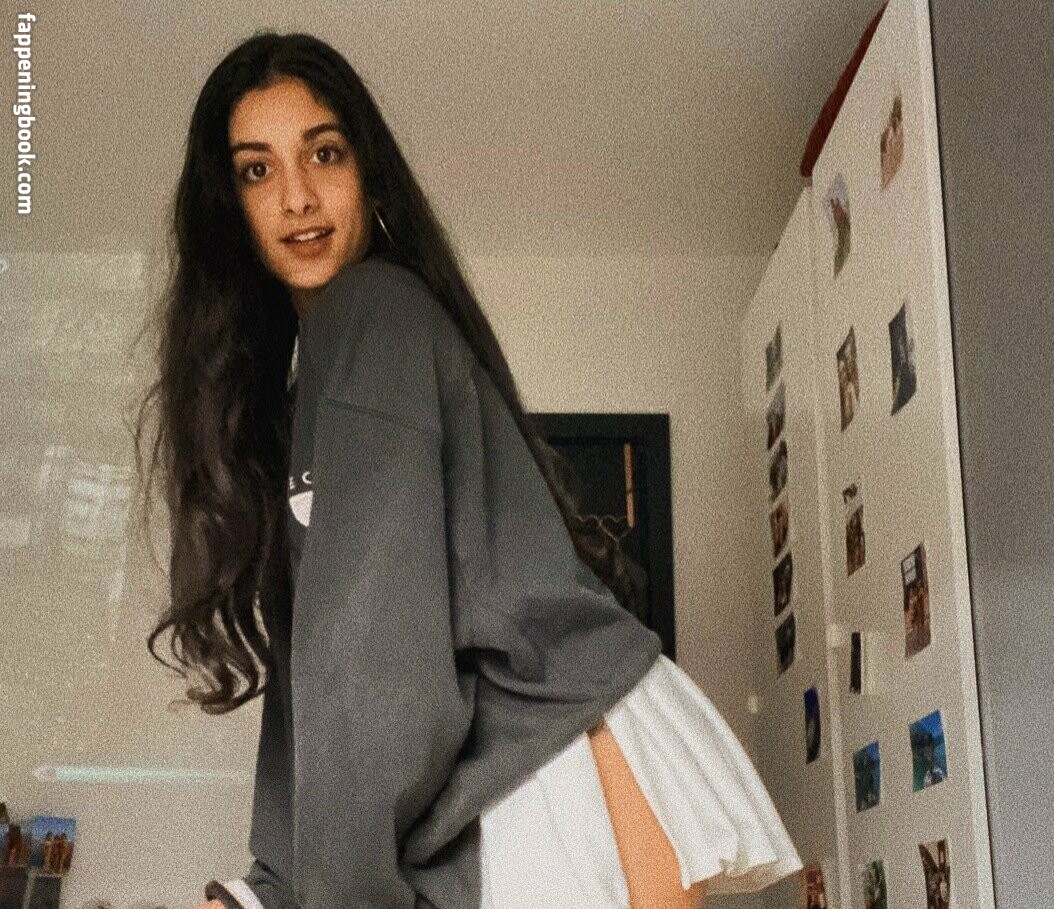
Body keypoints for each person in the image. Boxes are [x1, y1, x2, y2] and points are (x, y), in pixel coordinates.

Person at [134, 31, 802, 909]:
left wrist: (324, 892)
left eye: (324, 153)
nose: (297, 196)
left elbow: (374, 653)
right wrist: (272, 886)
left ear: (369, 174)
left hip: (556, 760)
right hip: (559, 753)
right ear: (232, 207)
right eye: (258, 170)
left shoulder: (374, 313)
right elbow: (326, 675)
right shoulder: (315, 391)